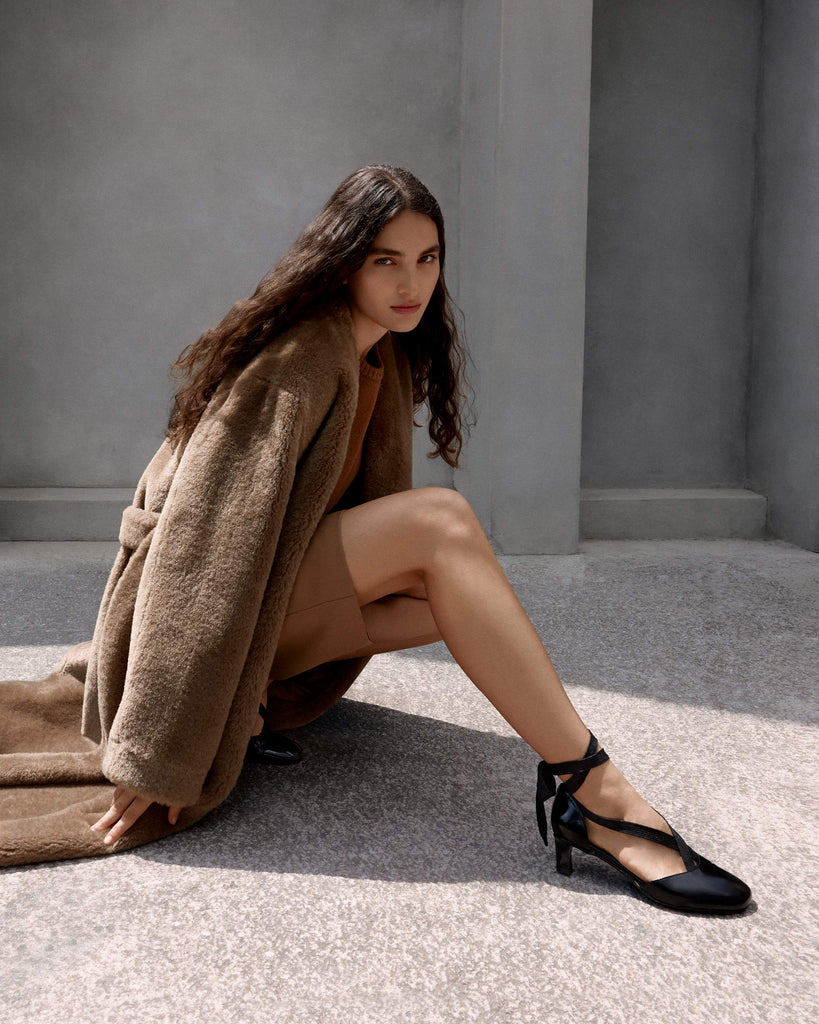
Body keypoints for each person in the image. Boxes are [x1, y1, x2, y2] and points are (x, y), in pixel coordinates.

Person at [88, 165, 750, 913]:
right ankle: (599, 797)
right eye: (386, 260)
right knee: (440, 525)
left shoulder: (379, 353)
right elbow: (199, 554)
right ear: (343, 262)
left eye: (426, 259)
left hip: (266, 610)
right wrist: (159, 747)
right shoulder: (294, 363)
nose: (412, 283)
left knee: (463, 606)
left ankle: (254, 705)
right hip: (180, 609)